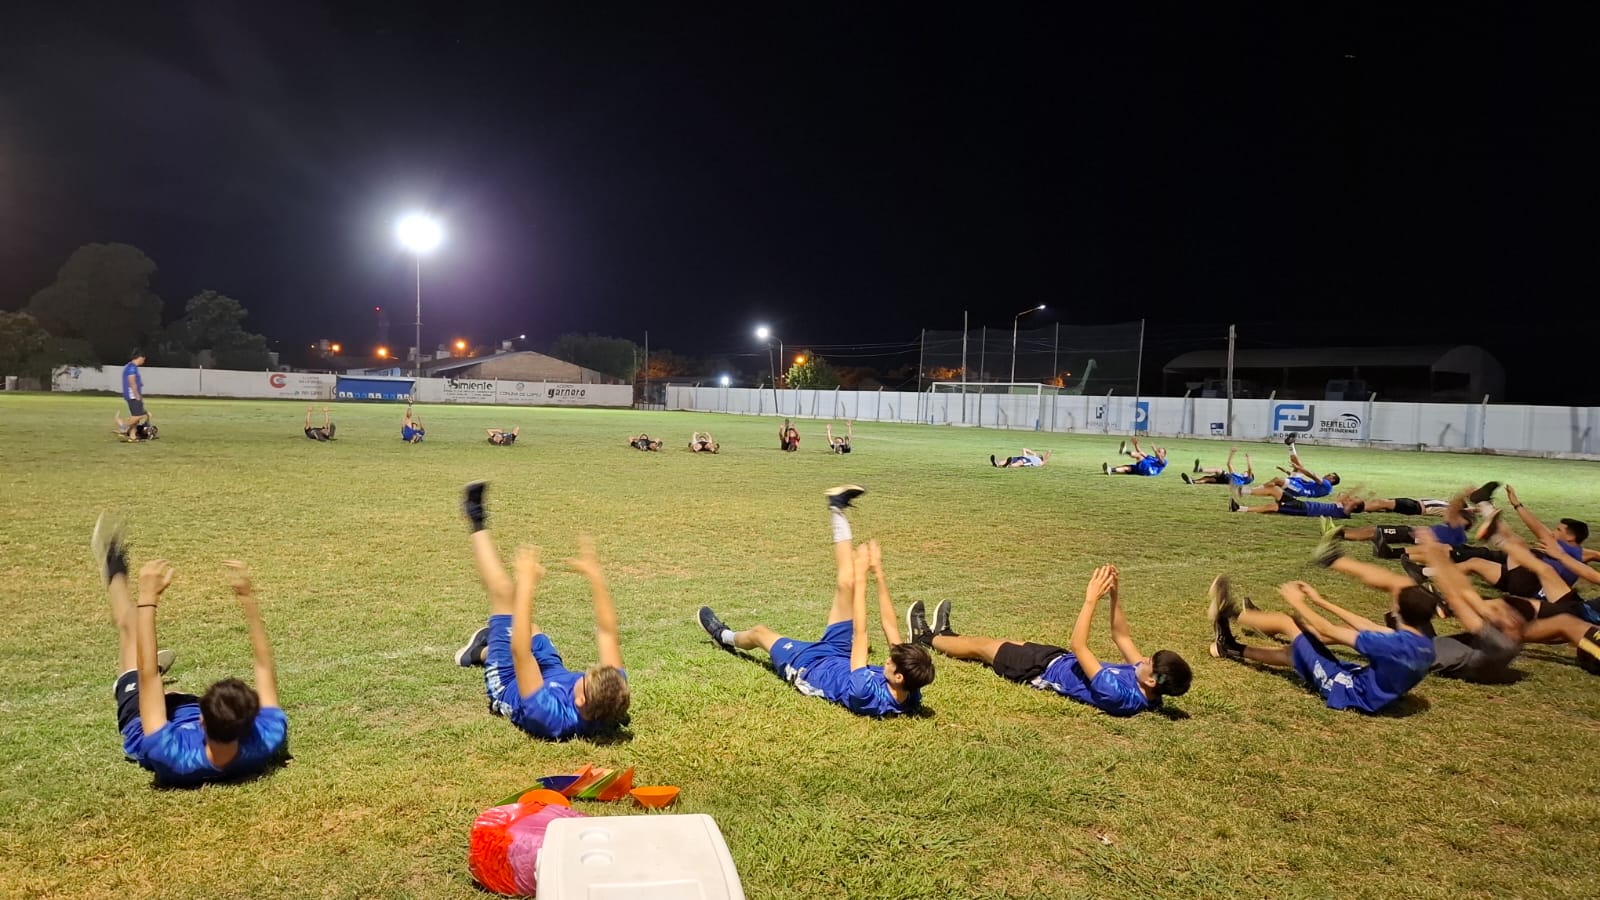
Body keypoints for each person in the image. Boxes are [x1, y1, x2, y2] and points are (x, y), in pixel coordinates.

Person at [697, 486, 935, 717]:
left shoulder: (865, 693)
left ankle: (723, 636)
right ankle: (837, 507)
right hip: (839, 654)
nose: (887, 659)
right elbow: (890, 626)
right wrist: (879, 572)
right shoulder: (911, 691)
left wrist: (863, 575)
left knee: (760, 633)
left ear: (898, 677)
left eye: (890, 662)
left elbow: (861, 633)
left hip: (807, 664)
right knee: (847, 582)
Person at [94, 515, 288, 786]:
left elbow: (148, 675)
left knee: (132, 627)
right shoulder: (264, 739)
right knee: (168, 690)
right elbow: (264, 666)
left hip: (140, 721)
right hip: (186, 709)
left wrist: (148, 598)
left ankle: (114, 571)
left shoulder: (170, 753)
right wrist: (248, 598)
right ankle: (171, 694)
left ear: (201, 720)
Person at [452, 482, 631, 739]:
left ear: (580, 701)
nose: (583, 674)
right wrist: (595, 575)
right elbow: (607, 632)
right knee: (531, 629)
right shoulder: (612, 690)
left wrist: (526, 583)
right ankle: (483, 649)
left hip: (509, 680)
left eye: (584, 679)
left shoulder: (549, 714)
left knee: (505, 593)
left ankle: (475, 516)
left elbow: (521, 652)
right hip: (551, 671)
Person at [910, 565, 1191, 716]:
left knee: (983, 648)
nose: (1142, 659)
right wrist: (1115, 594)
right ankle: (945, 635)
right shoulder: (1149, 688)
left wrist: (1091, 599)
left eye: (1148, 662)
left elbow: (1079, 646)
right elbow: (1122, 636)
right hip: (1056, 659)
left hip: (1039, 670)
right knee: (996, 642)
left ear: (1152, 680)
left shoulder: (1116, 693)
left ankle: (926, 637)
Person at [1208, 572, 1436, 714]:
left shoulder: (1391, 646)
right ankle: (1230, 648)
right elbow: (1364, 624)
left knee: (1288, 623)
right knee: (1296, 653)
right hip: (1369, 689)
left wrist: (1298, 602)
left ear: (1398, 611)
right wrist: (1319, 601)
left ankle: (1228, 611)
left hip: (1347, 690)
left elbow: (1329, 631)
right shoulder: (1424, 645)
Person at [1313, 529, 1524, 683]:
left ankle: (1331, 560)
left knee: (1400, 588)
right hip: (1428, 644)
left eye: (1506, 613)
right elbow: (1466, 593)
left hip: (1419, 654)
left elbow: (1457, 598)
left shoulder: (1501, 644)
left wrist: (1432, 553)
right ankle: (1331, 563)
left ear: (1513, 624)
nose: (1502, 612)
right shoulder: (1509, 638)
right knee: (1401, 591)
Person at [1229, 492, 1365, 518]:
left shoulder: (1344, 513)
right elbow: (1342, 496)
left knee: (1273, 507)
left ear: (1354, 507)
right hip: (1303, 504)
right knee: (1274, 490)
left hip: (1304, 510)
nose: (1350, 499)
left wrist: (1358, 499)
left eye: (1354, 501)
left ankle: (1239, 508)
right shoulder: (1338, 507)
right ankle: (1242, 491)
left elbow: (1348, 502)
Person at [1183, 447, 1252, 486]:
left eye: (1245, 472)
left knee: (1217, 470)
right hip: (1227, 481)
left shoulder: (1246, 479)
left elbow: (1250, 469)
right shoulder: (1237, 476)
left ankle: (1200, 470)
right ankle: (1193, 481)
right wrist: (1232, 453)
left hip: (1229, 479)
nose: (1244, 472)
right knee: (1207, 479)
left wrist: (1248, 458)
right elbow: (1229, 464)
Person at [122, 350, 149, 425]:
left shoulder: (131, 367)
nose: (143, 361)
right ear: (140, 358)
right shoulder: (132, 368)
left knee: (137, 416)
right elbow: (132, 382)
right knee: (139, 415)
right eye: (144, 359)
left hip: (133, 395)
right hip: (133, 396)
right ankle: (123, 426)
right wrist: (137, 396)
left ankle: (132, 432)